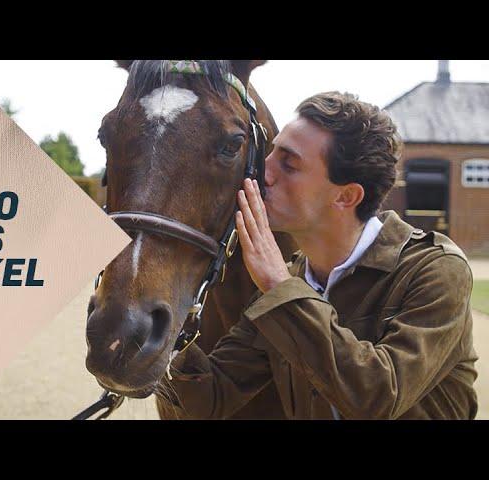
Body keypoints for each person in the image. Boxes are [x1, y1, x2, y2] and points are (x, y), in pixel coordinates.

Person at [160, 91, 478, 420]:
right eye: (270, 155)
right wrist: (158, 325)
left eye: (289, 164)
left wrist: (279, 286)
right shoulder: (287, 283)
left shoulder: (436, 271)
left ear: (346, 196)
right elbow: (210, 398)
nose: (260, 172)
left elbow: (378, 397)